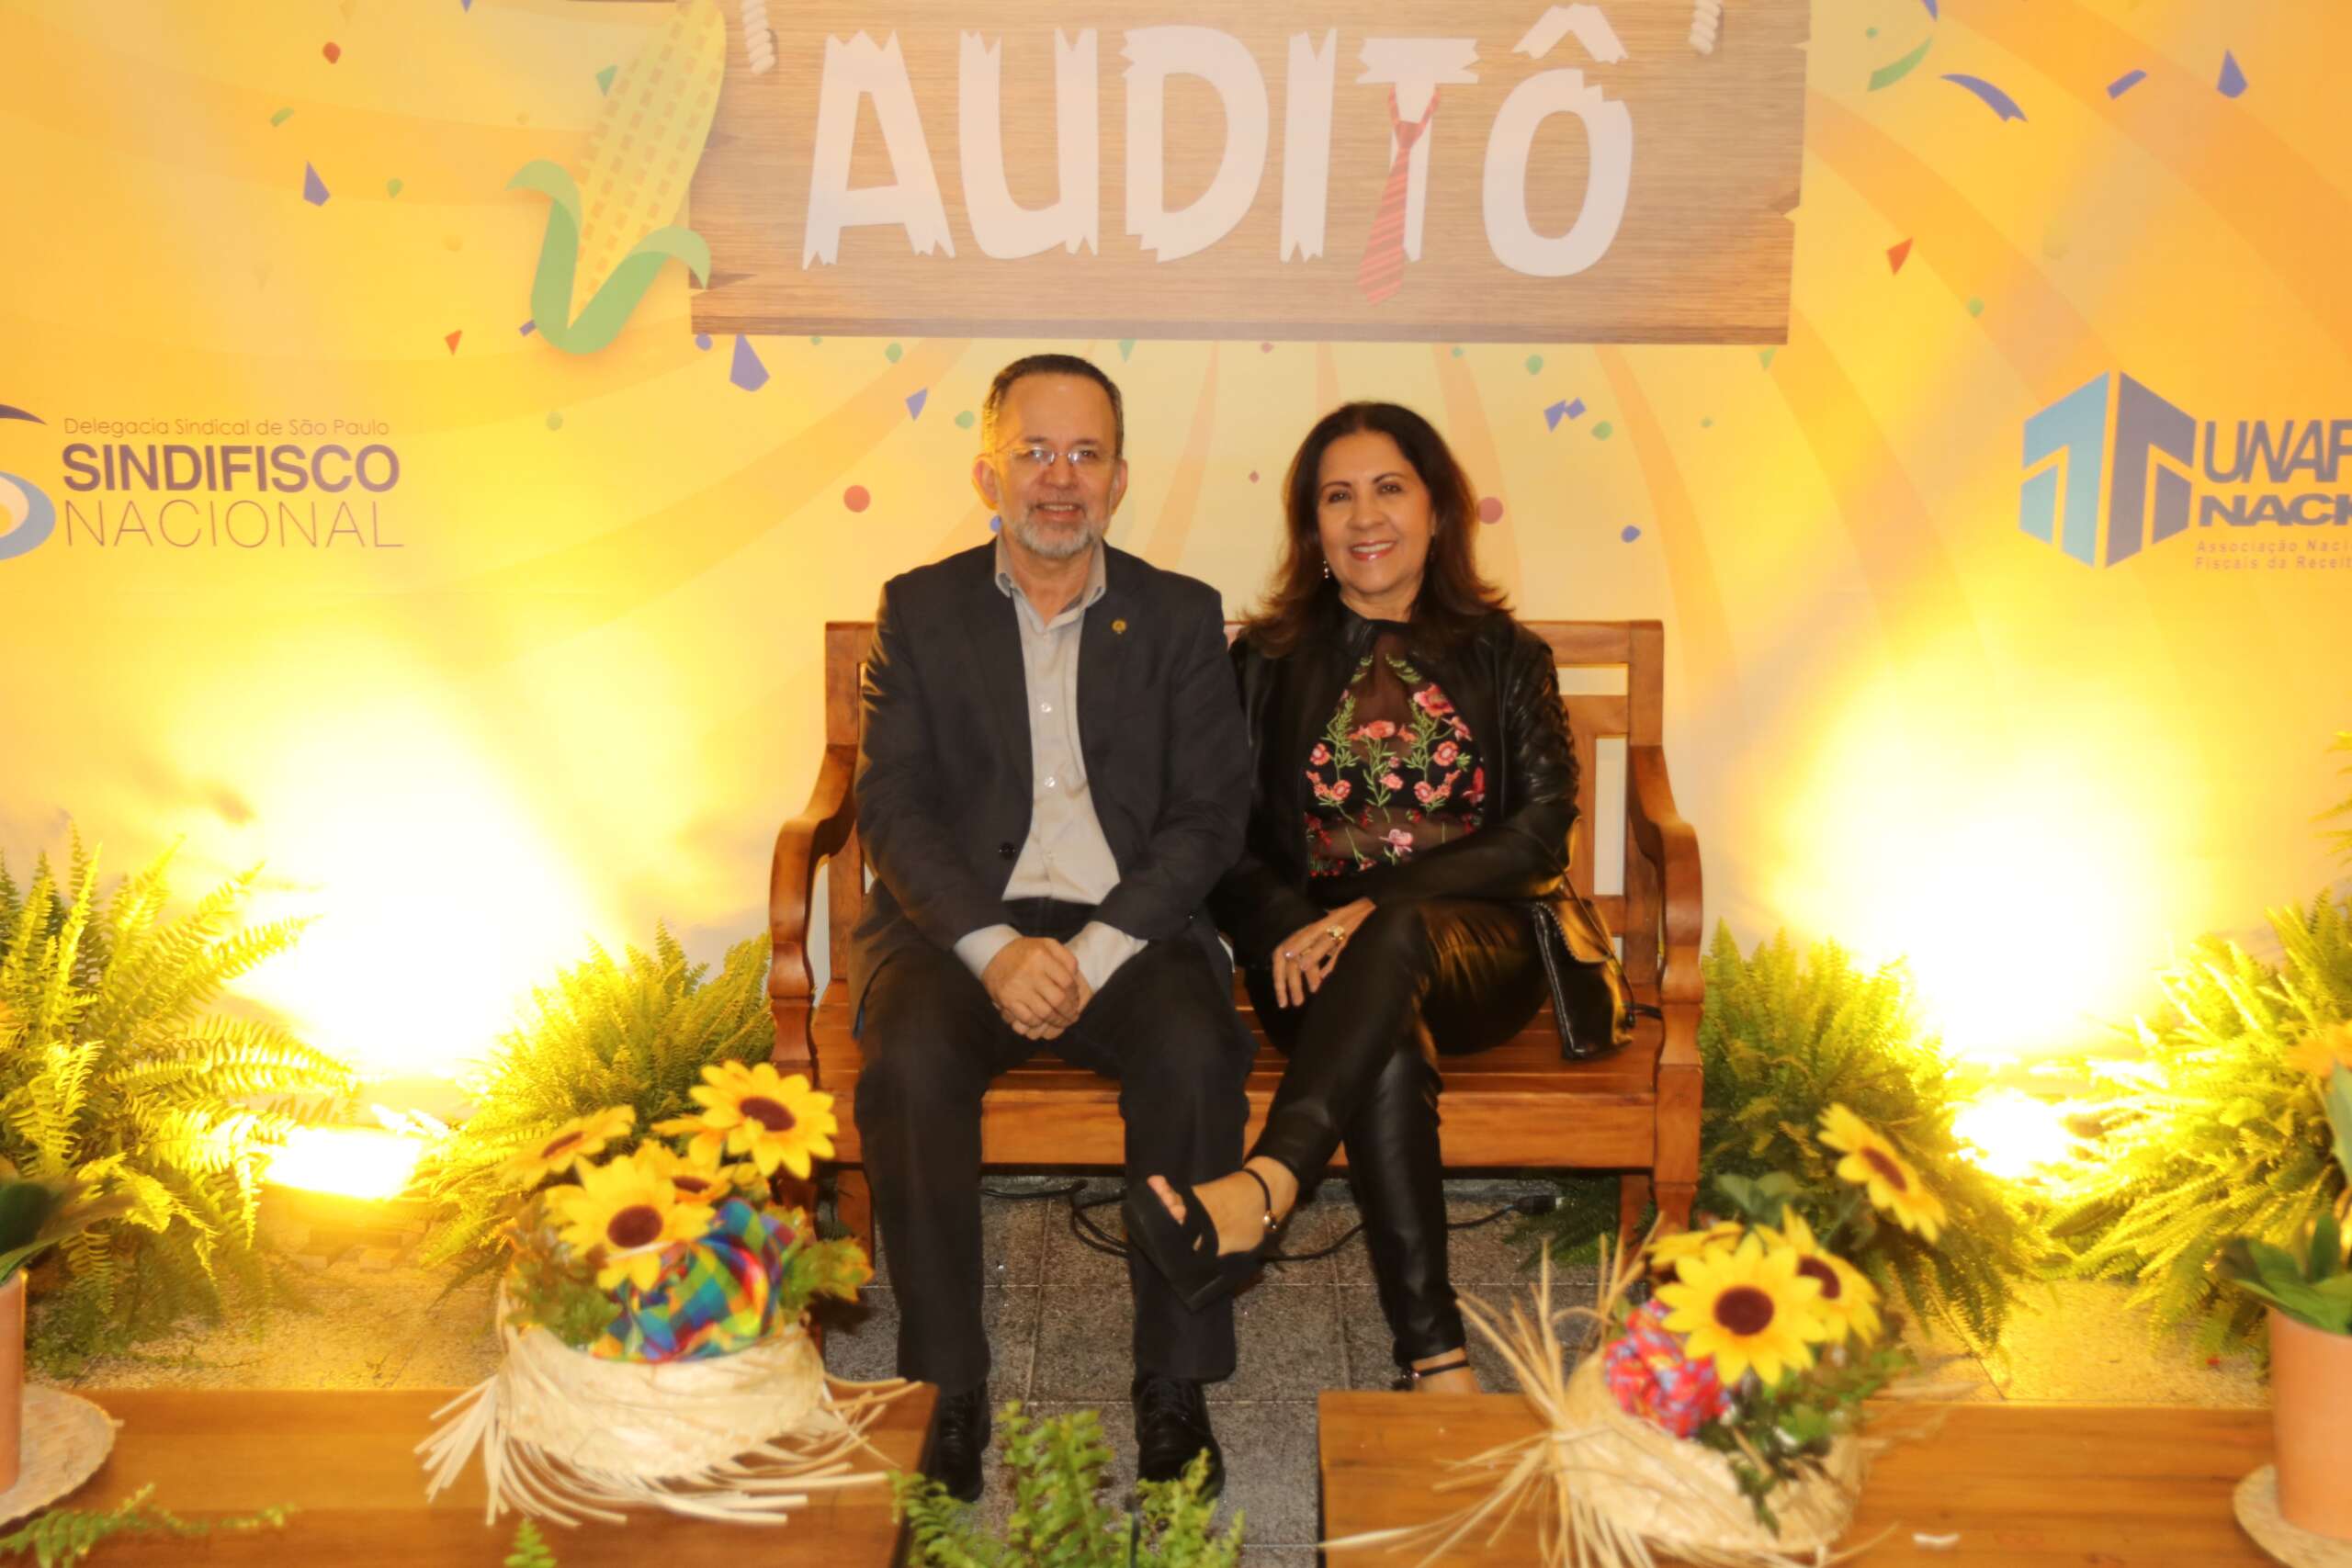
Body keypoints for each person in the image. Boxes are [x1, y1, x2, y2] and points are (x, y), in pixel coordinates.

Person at [1124, 400, 1608, 1393]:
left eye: (1389, 487)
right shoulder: (1262, 663)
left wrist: (1371, 905)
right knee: (1380, 1035)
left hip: (1479, 950)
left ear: (1437, 509)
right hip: (1313, 959)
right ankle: (1437, 1361)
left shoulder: (1507, 655)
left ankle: (1266, 1183)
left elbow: (1538, 835)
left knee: (1394, 936)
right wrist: (1295, 924)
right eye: (1336, 497)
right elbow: (1223, 839)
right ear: (1312, 527)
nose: (1364, 515)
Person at [850, 354, 1252, 1501]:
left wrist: (1091, 951)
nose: (1059, 479)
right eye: (1034, 452)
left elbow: (1210, 814)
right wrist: (993, 951)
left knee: (1195, 1050)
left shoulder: (1179, 616)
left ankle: (1174, 1380)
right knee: (910, 1059)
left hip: (1127, 929)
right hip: (956, 932)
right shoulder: (919, 610)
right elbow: (893, 805)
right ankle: (947, 1382)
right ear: (988, 474)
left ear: (1119, 480)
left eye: (1085, 454)